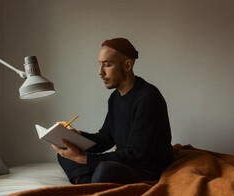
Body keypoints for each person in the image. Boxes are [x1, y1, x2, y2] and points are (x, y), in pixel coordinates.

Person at [52, 37, 174, 184]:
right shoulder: (115, 98)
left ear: (128, 65)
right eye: (99, 65)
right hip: (126, 162)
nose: (100, 72)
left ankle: (85, 181)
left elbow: (137, 155)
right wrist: (75, 136)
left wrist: (82, 159)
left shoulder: (148, 98)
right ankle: (89, 182)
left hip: (146, 168)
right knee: (63, 153)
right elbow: (106, 138)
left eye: (107, 65)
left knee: (105, 169)